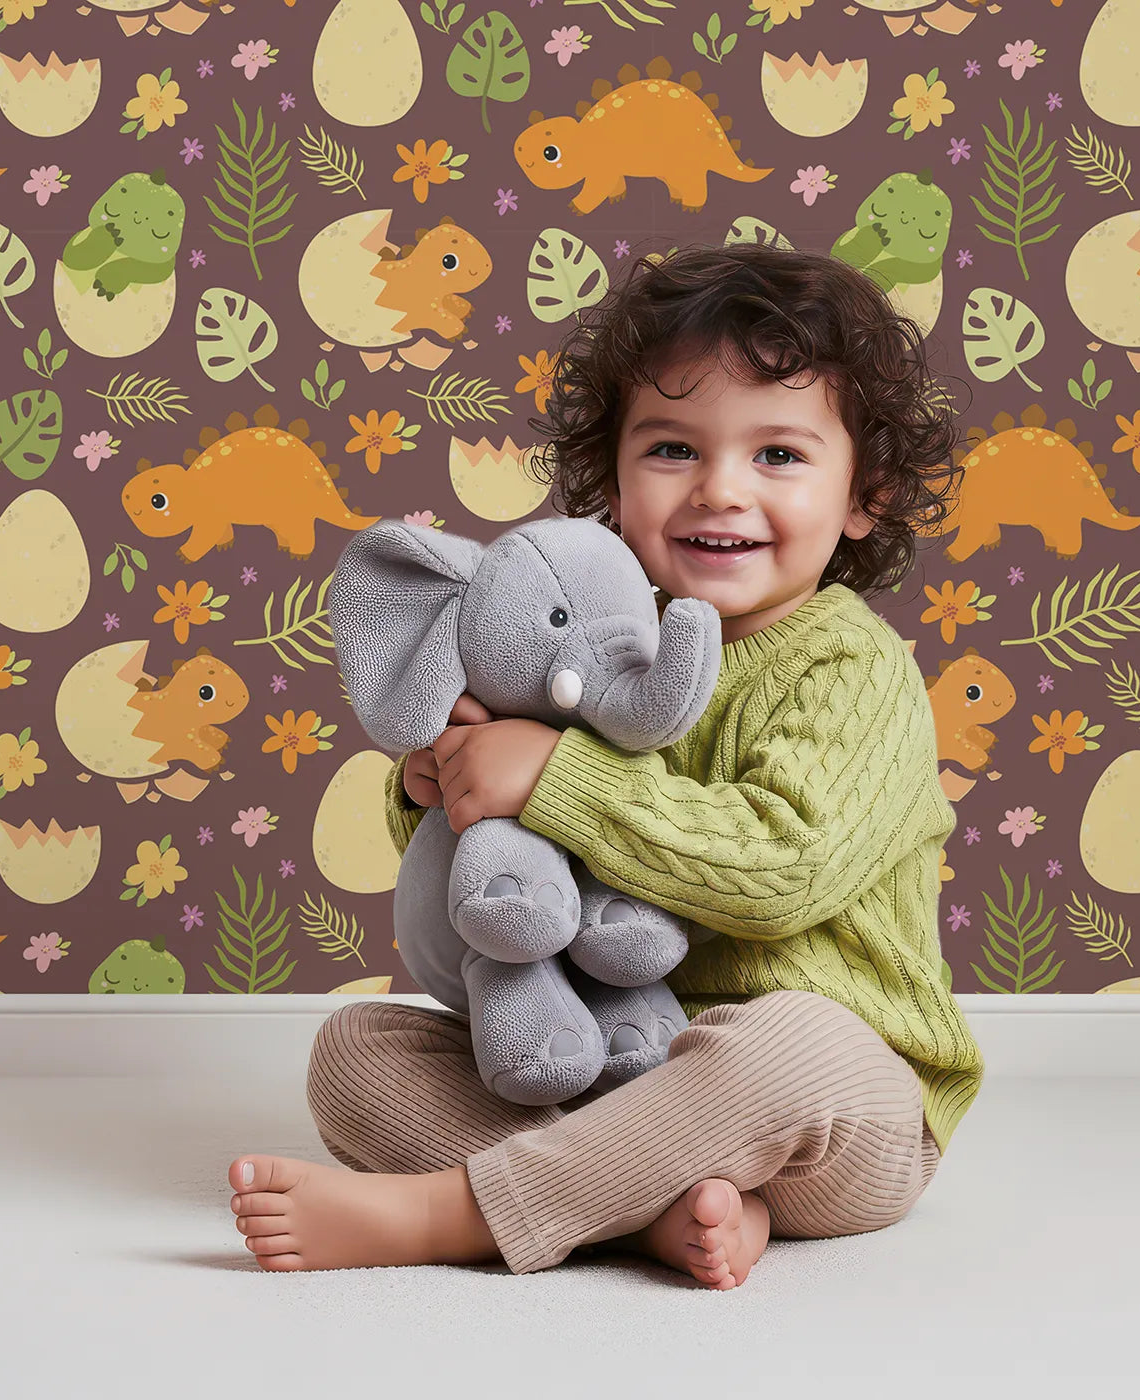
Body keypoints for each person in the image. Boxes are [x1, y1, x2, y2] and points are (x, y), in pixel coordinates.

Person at [225, 241, 985, 1287]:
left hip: (829, 1111)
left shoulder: (850, 665)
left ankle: (460, 1213)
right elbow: (496, 873)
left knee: (791, 1041)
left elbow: (779, 871)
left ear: (865, 493)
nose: (720, 490)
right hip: (618, 1069)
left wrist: (551, 778)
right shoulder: (586, 643)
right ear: (610, 477)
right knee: (354, 1053)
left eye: (778, 455)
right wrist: (443, 785)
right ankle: (646, 1208)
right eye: (672, 448)